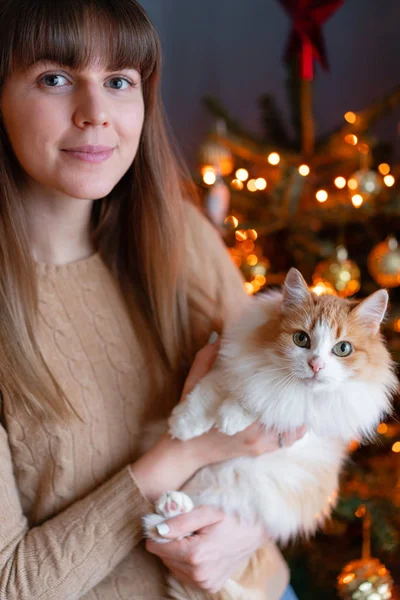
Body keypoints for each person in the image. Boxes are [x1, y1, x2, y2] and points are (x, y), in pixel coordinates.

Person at [0, 0, 302, 598]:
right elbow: (11, 584)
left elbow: (303, 421)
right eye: (55, 78)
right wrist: (182, 452)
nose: (96, 115)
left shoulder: (182, 238)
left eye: (119, 82)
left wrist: (245, 527)